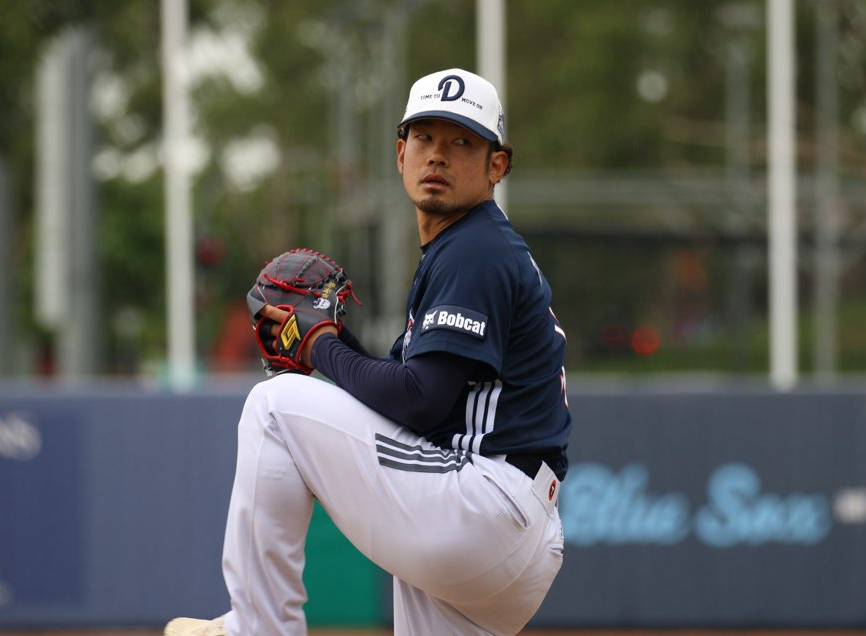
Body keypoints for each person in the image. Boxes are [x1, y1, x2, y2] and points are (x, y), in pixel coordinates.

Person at [165, 68, 571, 636]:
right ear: (400, 153)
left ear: (496, 165)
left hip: (481, 505)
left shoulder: (473, 250)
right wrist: (329, 345)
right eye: (425, 138)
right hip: (510, 534)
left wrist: (320, 345)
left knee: (275, 407)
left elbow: (419, 402)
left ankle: (259, 628)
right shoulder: (474, 247)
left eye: (461, 142)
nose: (438, 156)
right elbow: (407, 395)